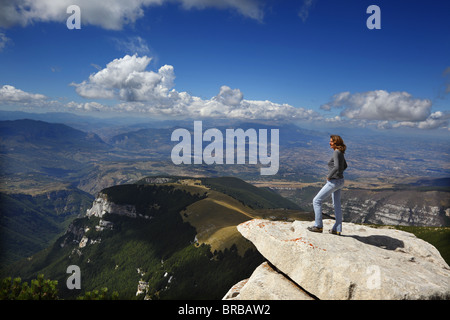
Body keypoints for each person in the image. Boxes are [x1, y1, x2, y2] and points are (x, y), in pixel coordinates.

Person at [307, 135, 347, 235]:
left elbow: (337, 166)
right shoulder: (340, 152)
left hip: (333, 181)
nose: (330, 143)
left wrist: (329, 175)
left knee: (316, 200)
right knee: (337, 204)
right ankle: (337, 229)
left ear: (336, 143)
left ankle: (318, 226)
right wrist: (339, 174)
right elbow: (345, 166)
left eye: (331, 142)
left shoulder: (336, 152)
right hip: (340, 181)